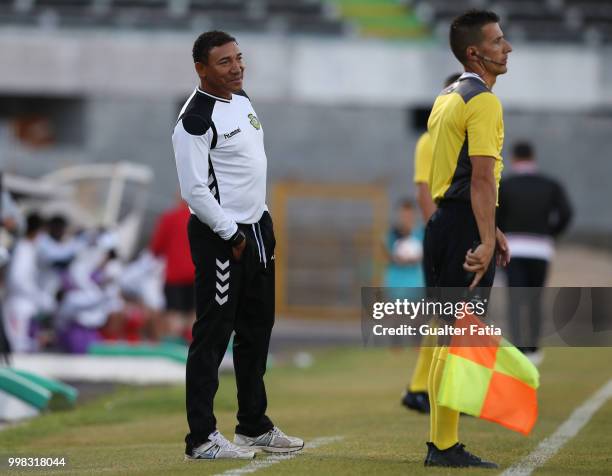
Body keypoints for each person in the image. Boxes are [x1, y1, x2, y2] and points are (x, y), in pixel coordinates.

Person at [172, 30, 303, 460]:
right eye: (225, 62)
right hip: (222, 238)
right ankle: (201, 438)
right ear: (201, 69)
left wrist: (259, 223)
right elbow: (194, 190)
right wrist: (231, 233)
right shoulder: (195, 118)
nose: (237, 67)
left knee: (256, 331)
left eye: (239, 58)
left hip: (258, 231)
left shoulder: (242, 101)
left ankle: (253, 425)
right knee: (213, 334)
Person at [423, 10, 512, 468]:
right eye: (498, 41)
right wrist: (482, 237)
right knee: (461, 341)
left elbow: (457, 177)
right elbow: (480, 178)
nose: (507, 47)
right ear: (475, 52)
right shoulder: (484, 101)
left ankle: (441, 442)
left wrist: (489, 227)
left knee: (450, 339)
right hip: (460, 228)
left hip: (444, 224)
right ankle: (443, 447)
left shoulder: (447, 95)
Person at [402, 73, 462, 415]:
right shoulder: (430, 140)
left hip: (453, 233)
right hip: (444, 235)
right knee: (445, 314)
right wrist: (436, 232)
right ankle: (422, 387)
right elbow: (424, 190)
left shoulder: (455, 139)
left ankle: (424, 387)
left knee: (451, 315)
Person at [497, 141, 572, 363]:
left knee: (515, 298)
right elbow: (566, 213)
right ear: (533, 156)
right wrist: (550, 233)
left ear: (513, 158)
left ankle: (518, 346)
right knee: (535, 298)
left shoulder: (505, 185)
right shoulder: (550, 185)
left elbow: (495, 216)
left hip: (513, 248)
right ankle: (534, 348)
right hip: (540, 249)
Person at [150, 196, 195, 340]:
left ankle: (175, 349)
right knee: (195, 316)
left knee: (175, 316)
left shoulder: (170, 217)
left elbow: (156, 249)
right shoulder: (205, 218)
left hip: (175, 275)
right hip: (199, 274)